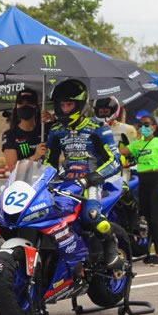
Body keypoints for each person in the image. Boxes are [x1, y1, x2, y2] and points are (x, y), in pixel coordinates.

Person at [43, 79, 123, 270]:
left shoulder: (98, 128)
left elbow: (115, 161)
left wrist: (93, 177)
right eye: (61, 105)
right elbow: (49, 162)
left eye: (69, 104)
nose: (64, 109)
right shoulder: (55, 131)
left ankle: (111, 245)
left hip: (92, 182)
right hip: (65, 183)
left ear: (80, 105)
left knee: (91, 216)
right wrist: (42, 178)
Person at [120, 112, 158, 265]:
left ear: (154, 127)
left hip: (157, 181)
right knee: (146, 218)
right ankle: (149, 252)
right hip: (143, 183)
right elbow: (119, 152)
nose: (143, 127)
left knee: (155, 218)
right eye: (140, 125)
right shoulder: (137, 144)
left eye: (146, 125)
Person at [1, 89, 48, 170]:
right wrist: (34, 157)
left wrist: (53, 117)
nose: (25, 106)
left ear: (36, 107)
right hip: (23, 178)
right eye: (21, 103)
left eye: (29, 103)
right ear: (16, 107)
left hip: (47, 176)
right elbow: (13, 168)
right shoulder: (10, 135)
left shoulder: (46, 129)